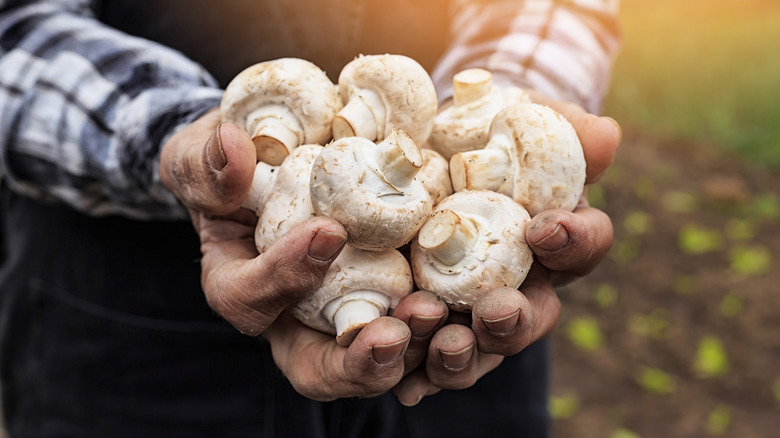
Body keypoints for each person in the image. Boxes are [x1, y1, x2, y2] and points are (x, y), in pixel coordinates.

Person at [0, 0, 621, 436]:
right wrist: (184, 140)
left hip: (456, 329)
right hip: (121, 316)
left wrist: (506, 103)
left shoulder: (448, 189)